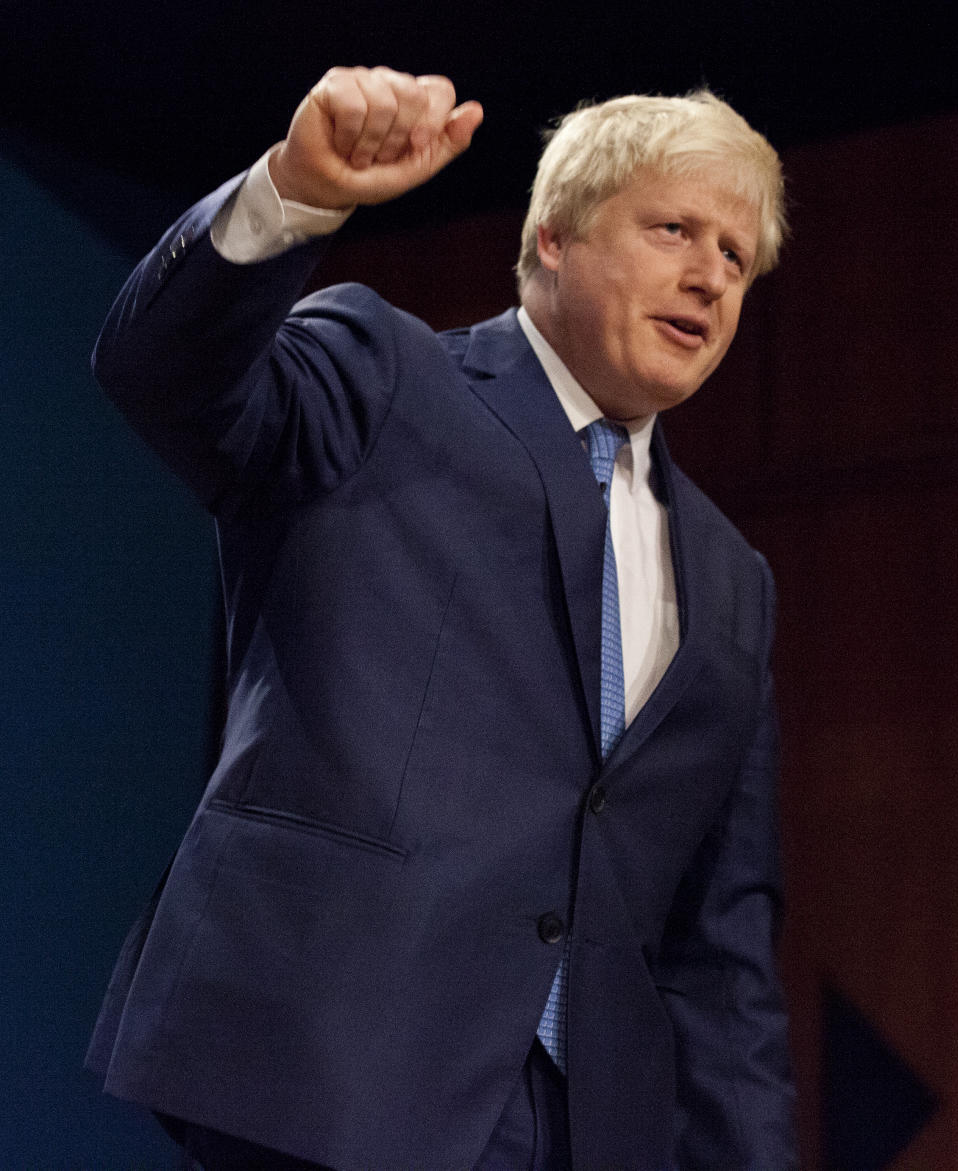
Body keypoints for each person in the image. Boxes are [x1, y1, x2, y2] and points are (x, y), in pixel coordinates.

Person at [87, 66, 796, 1169]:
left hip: (588, 1127)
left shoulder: (733, 579)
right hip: (336, 1074)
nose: (709, 276)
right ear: (554, 235)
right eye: (673, 229)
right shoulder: (386, 377)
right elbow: (160, 373)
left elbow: (723, 946)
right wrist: (295, 191)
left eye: (736, 258)